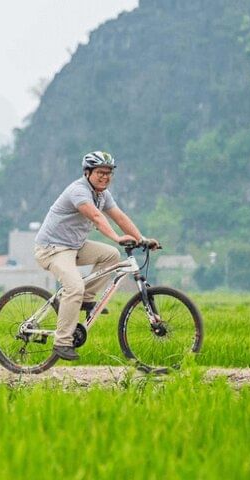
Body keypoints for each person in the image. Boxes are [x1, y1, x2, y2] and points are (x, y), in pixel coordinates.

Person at [33, 151, 159, 361]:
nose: (105, 177)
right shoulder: (78, 191)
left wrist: (142, 238)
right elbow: (96, 217)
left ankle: (85, 299)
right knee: (74, 287)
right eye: (100, 172)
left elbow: (119, 217)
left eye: (109, 173)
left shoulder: (102, 195)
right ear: (87, 172)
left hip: (74, 246)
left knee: (111, 255)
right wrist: (117, 237)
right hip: (52, 248)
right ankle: (62, 342)